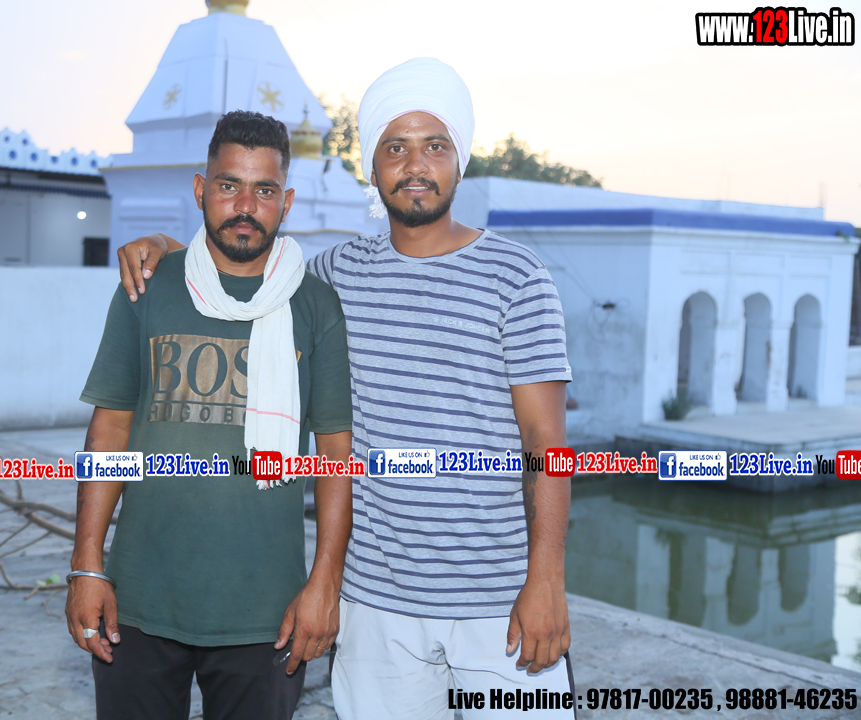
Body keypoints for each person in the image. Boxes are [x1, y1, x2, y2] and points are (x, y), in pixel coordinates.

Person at [115, 59, 576, 719]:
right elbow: (245, 259)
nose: (415, 165)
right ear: (371, 164)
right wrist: (165, 246)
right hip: (374, 604)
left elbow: (546, 440)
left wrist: (547, 579)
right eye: (396, 147)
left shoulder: (517, 276)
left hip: (496, 602)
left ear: (460, 160)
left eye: (434, 146)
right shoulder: (333, 277)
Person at [66, 110, 354, 720]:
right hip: (139, 601)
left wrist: (324, 583)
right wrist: (86, 565)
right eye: (229, 186)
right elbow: (110, 429)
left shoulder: (314, 304)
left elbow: (336, 454)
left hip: (267, 611)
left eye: (265, 190)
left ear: (287, 202)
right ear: (201, 190)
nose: (245, 206)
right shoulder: (148, 286)